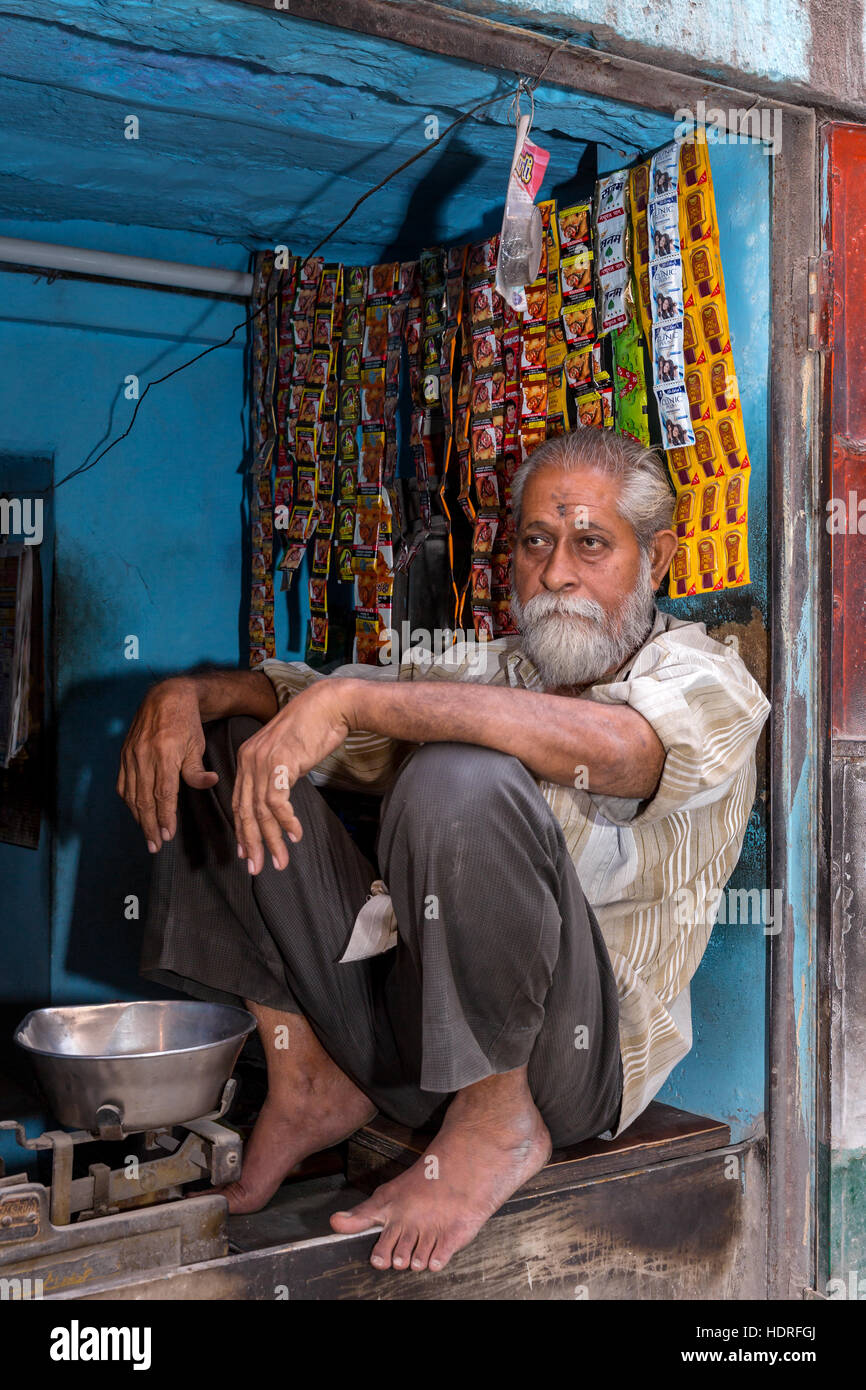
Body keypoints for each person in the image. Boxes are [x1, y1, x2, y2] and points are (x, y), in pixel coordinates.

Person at [120, 429, 770, 1275]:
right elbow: (302, 701)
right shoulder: (498, 668)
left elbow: (621, 749)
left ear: (659, 556)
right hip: (411, 1041)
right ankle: (308, 1078)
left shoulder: (707, 677)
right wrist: (184, 694)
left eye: (591, 544)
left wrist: (371, 705)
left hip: (568, 1069)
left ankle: (496, 1119)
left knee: (458, 773)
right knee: (235, 741)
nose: (558, 573)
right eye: (536, 542)